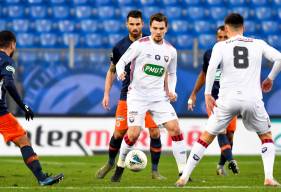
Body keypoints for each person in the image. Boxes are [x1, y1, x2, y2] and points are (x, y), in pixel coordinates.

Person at [176, 13, 281, 187]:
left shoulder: (221, 46)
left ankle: (184, 176)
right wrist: (270, 78)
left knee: (206, 137)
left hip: (227, 100)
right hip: (252, 99)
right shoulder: (258, 43)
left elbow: (210, 69)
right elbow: (279, 58)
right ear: (243, 28)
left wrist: (207, 94)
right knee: (266, 136)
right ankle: (268, 177)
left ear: (226, 29)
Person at [115, 12, 187, 182]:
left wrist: (172, 91)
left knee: (175, 129)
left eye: (161, 28)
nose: (158, 31)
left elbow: (172, 73)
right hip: (137, 96)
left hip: (158, 97)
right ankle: (119, 166)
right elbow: (121, 62)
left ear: (166, 29)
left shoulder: (171, 51)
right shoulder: (140, 44)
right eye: (155, 28)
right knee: (133, 134)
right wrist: (120, 73)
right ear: (150, 27)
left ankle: (183, 172)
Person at [95, 10, 166, 182]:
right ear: (127, 25)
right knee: (119, 134)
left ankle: (155, 171)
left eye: (137, 24)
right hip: (126, 96)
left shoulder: (152, 43)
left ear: (143, 25)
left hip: (149, 97)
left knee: (155, 132)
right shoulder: (119, 46)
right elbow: (111, 71)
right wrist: (106, 93)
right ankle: (111, 162)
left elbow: (163, 69)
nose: (134, 27)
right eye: (131, 24)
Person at [0, 30, 64, 186]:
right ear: (13, 44)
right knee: (23, 139)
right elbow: (8, 83)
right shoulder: (6, 60)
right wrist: (23, 106)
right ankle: (42, 178)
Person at [187, 25, 239, 176]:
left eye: (225, 37)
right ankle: (231, 161)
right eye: (220, 37)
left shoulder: (237, 54)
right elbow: (203, 75)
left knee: (230, 135)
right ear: (216, 38)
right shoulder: (210, 53)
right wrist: (194, 93)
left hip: (232, 99)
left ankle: (221, 165)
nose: (222, 40)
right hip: (214, 99)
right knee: (221, 131)